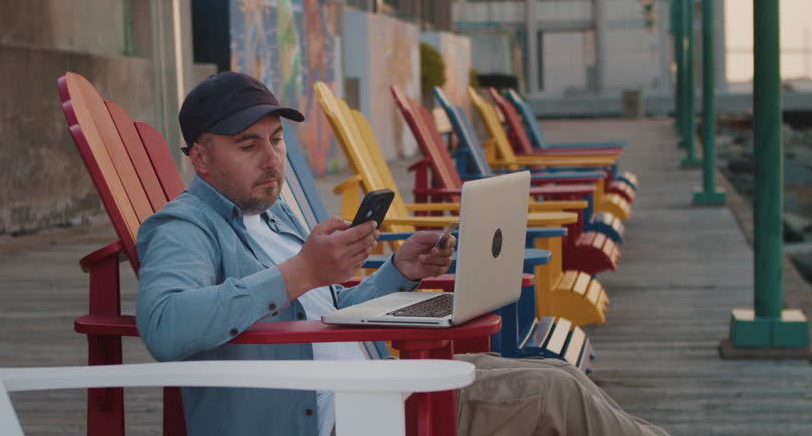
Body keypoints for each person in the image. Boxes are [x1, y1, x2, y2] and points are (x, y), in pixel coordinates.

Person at [136, 72, 669, 436]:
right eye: (248, 146)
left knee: (559, 378)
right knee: (553, 393)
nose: (272, 159)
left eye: (276, 140)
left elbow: (330, 318)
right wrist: (301, 270)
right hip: (343, 418)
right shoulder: (185, 228)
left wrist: (397, 272)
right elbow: (163, 324)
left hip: (384, 384)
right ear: (201, 159)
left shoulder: (273, 214)